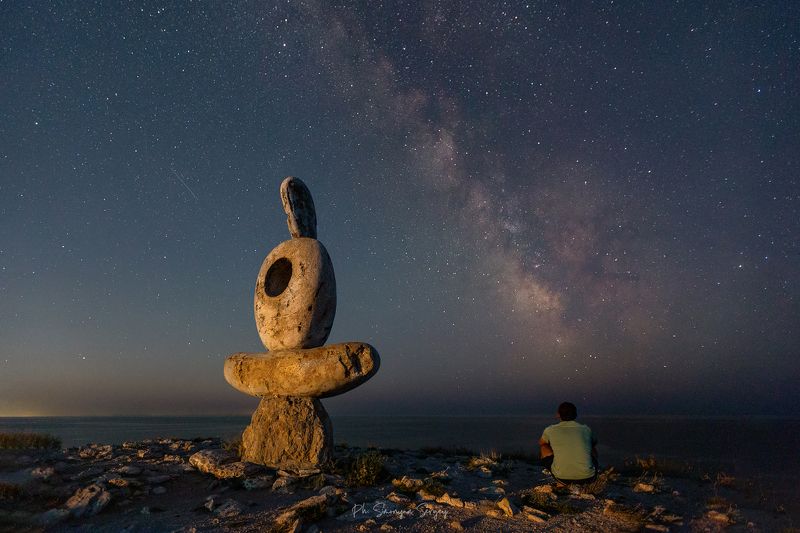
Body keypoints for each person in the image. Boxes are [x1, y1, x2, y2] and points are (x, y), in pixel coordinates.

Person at [539, 401, 598, 484]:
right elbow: (594, 443)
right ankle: (586, 468)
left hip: (562, 478)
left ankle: (558, 468)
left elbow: (541, 443)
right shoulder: (586, 429)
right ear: (575, 415)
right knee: (591, 446)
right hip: (588, 478)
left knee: (544, 446)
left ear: (558, 414)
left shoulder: (550, 430)